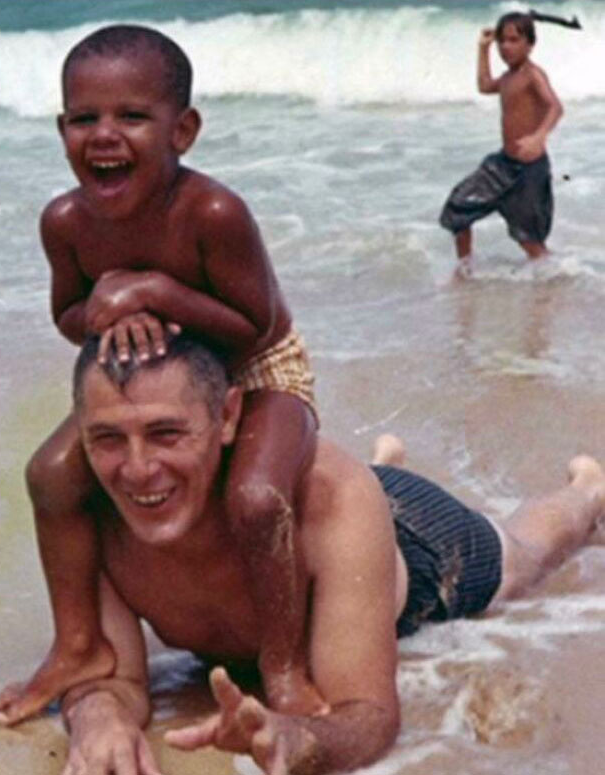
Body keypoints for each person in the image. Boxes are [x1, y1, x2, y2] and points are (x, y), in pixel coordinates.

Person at [56, 332, 605, 775]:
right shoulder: (89, 514)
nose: (137, 469)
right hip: (341, 514)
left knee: (522, 559)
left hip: (414, 542)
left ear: (227, 418)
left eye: (166, 433)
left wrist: (299, 741)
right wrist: (98, 718)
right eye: (107, 439)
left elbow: (368, 715)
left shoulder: (329, 503)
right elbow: (111, 675)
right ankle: (386, 462)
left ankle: (584, 493)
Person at [0, 25, 322, 726]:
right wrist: (108, 305)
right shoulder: (65, 222)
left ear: (184, 129)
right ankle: (79, 642)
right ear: (61, 130)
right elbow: (68, 314)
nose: (105, 135)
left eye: (133, 117)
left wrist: (151, 290)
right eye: (85, 118)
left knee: (258, 497)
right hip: (154, 383)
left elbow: (255, 325)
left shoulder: (211, 212)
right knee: (51, 474)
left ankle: (284, 664)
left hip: (259, 369)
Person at [439, 12, 563, 272]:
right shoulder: (508, 77)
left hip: (529, 171)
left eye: (514, 40)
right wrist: (483, 49)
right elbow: (484, 86)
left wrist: (538, 136)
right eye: (501, 41)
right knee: (459, 208)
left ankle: (552, 284)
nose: (506, 47)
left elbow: (555, 107)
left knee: (529, 240)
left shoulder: (532, 75)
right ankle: (465, 271)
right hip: (502, 166)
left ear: (530, 44)